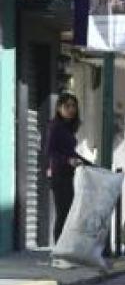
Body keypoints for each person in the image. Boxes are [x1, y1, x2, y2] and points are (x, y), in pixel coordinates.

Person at [45, 93, 90, 251]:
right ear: (59, 108)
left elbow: (71, 153)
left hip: (70, 176)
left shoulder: (68, 128)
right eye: (67, 106)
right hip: (59, 176)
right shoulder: (55, 127)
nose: (71, 109)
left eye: (73, 106)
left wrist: (89, 164)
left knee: (70, 214)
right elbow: (51, 152)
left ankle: (66, 249)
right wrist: (67, 161)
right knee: (63, 213)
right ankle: (58, 250)